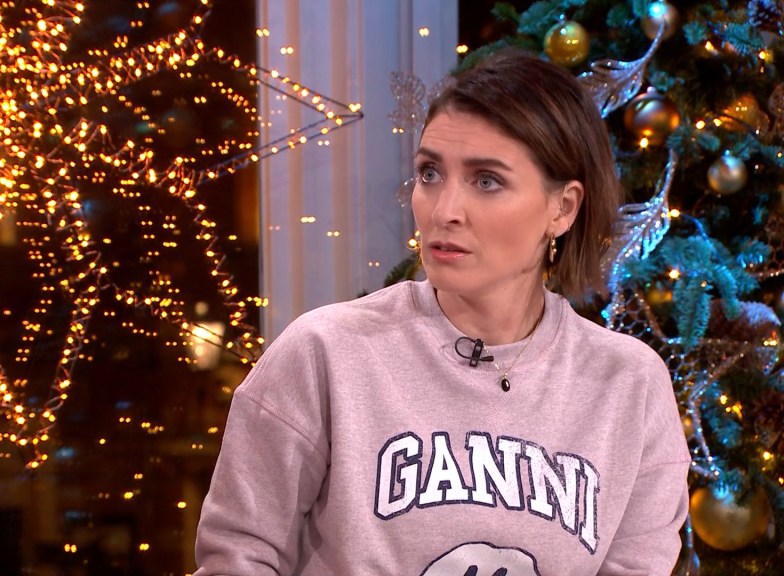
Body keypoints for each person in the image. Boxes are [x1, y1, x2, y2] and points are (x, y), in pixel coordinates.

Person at [194, 51, 690, 576]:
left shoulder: (629, 386)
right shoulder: (326, 353)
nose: (444, 210)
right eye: (430, 174)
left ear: (562, 208)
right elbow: (238, 559)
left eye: (487, 181)